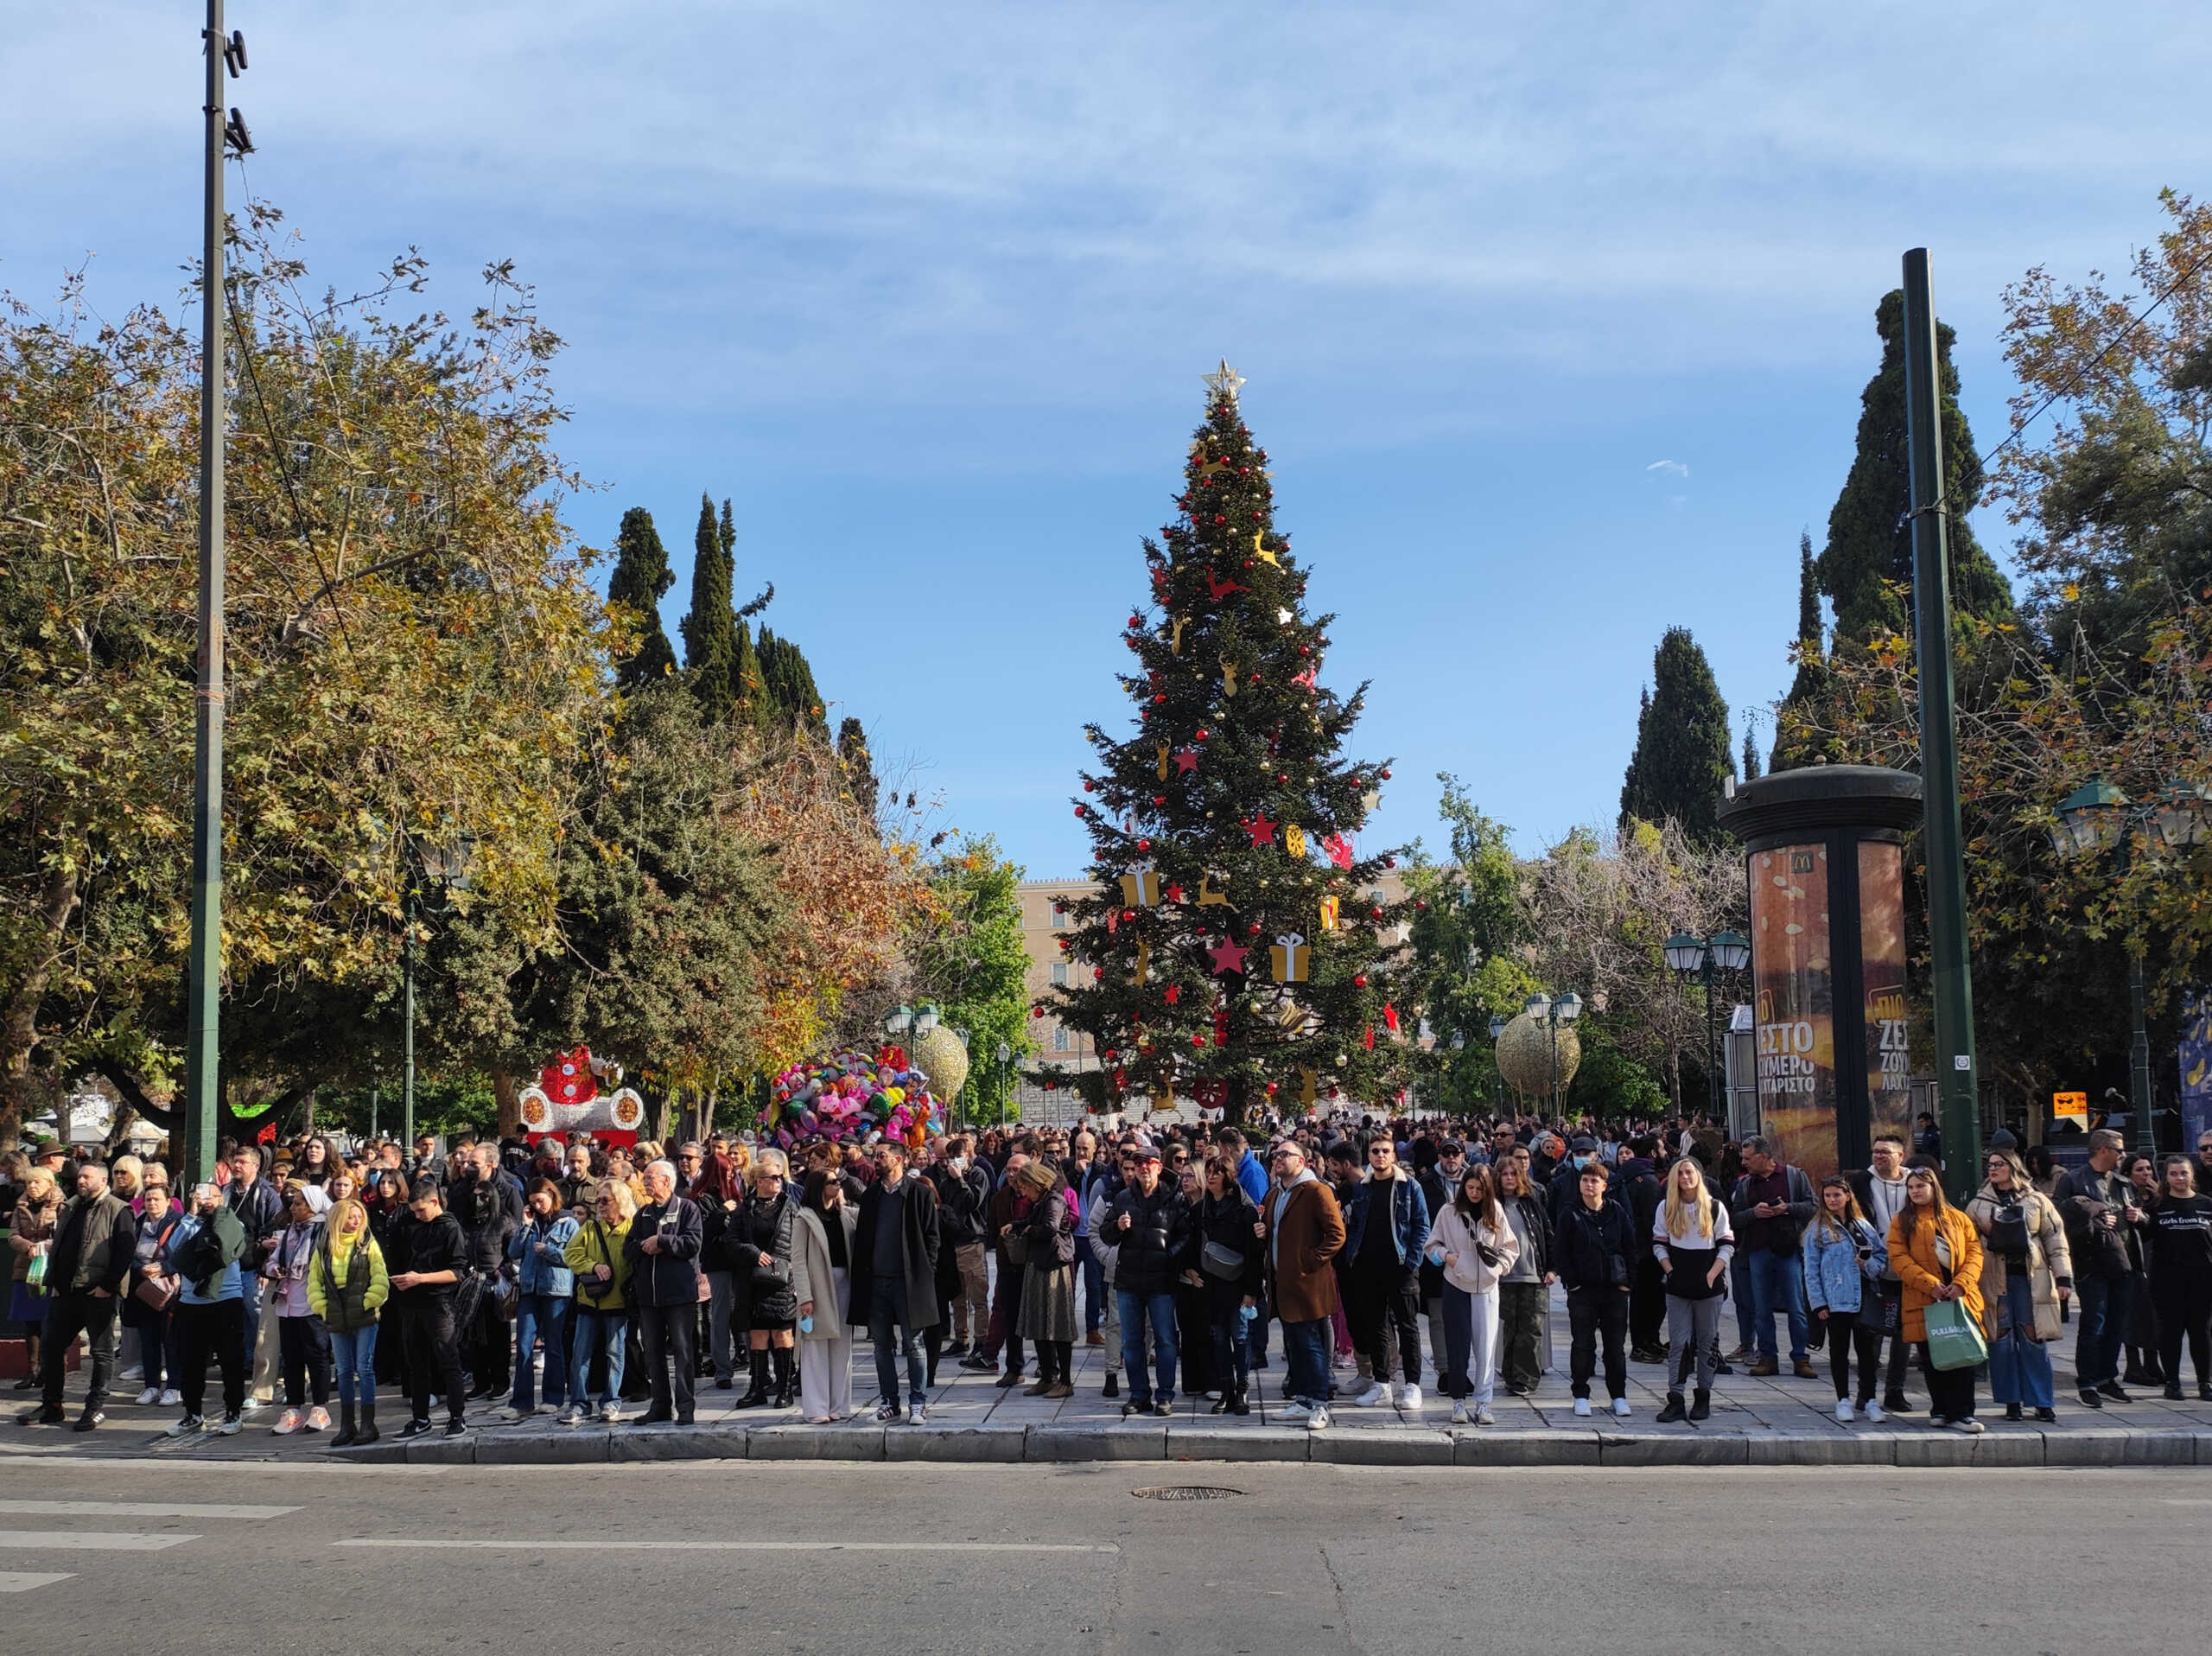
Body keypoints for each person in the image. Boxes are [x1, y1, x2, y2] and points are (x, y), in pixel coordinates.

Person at [22, 1160, 137, 1431]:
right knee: (51, 1347)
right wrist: (54, 1282)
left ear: (103, 1181)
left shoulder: (119, 1210)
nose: (81, 1181)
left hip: (97, 1293)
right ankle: (52, 1406)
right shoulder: (72, 1206)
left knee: (101, 1352)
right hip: (65, 1292)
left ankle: (94, 1407)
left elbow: (124, 1252)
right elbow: (60, 1246)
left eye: (87, 1177)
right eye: (80, 1177)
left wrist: (107, 1287)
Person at [1963, 1150, 2070, 1423]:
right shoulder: (1978, 1204)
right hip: (1993, 1278)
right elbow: (1969, 1244)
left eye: (1999, 1164)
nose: (1993, 1169)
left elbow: (2055, 1239)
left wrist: (2063, 1278)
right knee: (2001, 1340)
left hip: (2031, 1278)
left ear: (2013, 1166)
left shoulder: (2036, 1200)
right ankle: (2011, 1401)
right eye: (1990, 1165)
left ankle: (2042, 1401)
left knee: (2034, 1338)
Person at [849, 1138, 942, 1424]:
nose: (876, 1160)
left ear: (899, 1160)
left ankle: (918, 1401)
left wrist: (925, 1271)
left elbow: (932, 1239)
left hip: (909, 1282)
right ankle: (889, 1400)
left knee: (913, 1344)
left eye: (882, 1155)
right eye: (875, 1155)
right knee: (881, 1345)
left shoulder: (918, 1194)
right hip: (877, 1282)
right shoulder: (872, 1196)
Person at [2054, 1127, 2146, 1409]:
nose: (2124, 1155)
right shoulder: (2073, 1179)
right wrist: (2093, 1224)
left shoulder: (2122, 1182)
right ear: (2103, 1150)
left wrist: (2139, 1217)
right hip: (2091, 1263)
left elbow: (2144, 1219)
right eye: (2119, 1150)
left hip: (2124, 1262)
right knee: (2094, 1323)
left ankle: (2107, 1378)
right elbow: (2058, 1221)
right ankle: (2088, 1381)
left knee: (2117, 1324)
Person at [1889, 1166, 1986, 1433]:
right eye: (1911, 1187)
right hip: (1924, 1298)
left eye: (1921, 1186)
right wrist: (1930, 1285)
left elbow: (1975, 1253)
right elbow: (1898, 1259)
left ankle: (1964, 1412)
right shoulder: (1903, 1221)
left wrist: (1961, 1284)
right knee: (1932, 1358)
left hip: (1959, 1298)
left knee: (1963, 1357)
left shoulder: (1958, 1218)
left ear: (1934, 1188)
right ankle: (1940, 1408)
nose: (1915, 1191)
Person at [1424, 1163, 1518, 1426]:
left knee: (1486, 1346)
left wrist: (1499, 1268)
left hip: (1487, 1287)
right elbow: (1431, 1244)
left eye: (1480, 1189)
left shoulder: (1495, 1211)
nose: (1475, 1193)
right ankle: (1458, 1402)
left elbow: (1510, 1247)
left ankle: (1484, 1402)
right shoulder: (1448, 1212)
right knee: (1457, 1346)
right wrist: (1448, 1257)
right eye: (1471, 1188)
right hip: (1456, 1284)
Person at [1343, 1132, 1429, 1411]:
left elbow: (1421, 1226)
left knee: (1407, 1326)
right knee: (1376, 1326)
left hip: (1401, 1267)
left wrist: (1412, 1262)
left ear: (1394, 1155)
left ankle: (1412, 1385)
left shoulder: (1410, 1187)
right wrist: (1352, 1257)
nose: (1380, 1155)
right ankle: (1382, 1384)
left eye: (1385, 1151)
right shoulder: (1362, 1188)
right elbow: (1355, 1224)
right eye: (1375, 1151)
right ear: (1368, 1156)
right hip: (1369, 1267)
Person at [1107, 1142, 1192, 1418]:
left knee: (1166, 1340)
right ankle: (1139, 1394)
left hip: (1162, 1282)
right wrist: (1117, 1227)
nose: (1142, 1168)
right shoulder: (1123, 1198)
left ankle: (1164, 1395)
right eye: (1138, 1163)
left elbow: (1186, 1235)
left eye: (1148, 1163)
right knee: (1132, 1341)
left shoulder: (1174, 1198)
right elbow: (1105, 1233)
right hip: (1129, 1280)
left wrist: (1169, 1256)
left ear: (1158, 1167)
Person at [1265, 1140, 1344, 1431]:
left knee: (1312, 1345)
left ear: (1302, 1161)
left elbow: (1336, 1234)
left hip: (1307, 1283)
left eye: (1285, 1154)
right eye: (1276, 1155)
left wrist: (1310, 1261)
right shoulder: (1276, 1193)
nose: (1278, 1159)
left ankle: (1320, 1402)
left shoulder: (1315, 1190)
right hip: (1282, 1283)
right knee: (1294, 1345)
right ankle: (1302, 1398)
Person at [162, 1182, 251, 1436]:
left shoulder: (232, 1222)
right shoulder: (190, 1223)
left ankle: (233, 1413)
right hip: (191, 1303)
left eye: (211, 1196)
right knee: (191, 1363)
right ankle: (192, 1414)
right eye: (201, 1197)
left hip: (225, 1300)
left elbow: (225, 1245)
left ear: (221, 1199)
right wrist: (191, 1215)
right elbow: (174, 1248)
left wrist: (214, 1213)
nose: (206, 1201)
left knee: (230, 1361)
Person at [1802, 1176, 1891, 1424]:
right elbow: (1811, 1269)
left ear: (1848, 1196)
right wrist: (1818, 1303)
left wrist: (1868, 1264)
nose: (1832, 1200)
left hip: (1863, 1295)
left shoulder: (1863, 1226)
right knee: (1839, 1350)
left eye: (1837, 1195)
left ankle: (1870, 1399)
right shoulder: (1817, 1230)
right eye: (1828, 1196)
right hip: (1835, 1299)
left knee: (1867, 1352)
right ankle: (1843, 1399)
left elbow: (1882, 1259)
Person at [1652, 1157, 1734, 1424]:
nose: (1685, 1177)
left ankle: (1703, 1396)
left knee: (1707, 1342)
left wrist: (1712, 1274)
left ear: (1698, 1176)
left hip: (1708, 1285)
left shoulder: (1714, 1208)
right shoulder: (1666, 1207)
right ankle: (1675, 1399)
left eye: (1689, 1172)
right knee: (1679, 1343)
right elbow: (1659, 1244)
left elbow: (1727, 1245)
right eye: (1680, 1173)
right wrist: (1670, 1271)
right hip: (1678, 1284)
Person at [624, 1158, 703, 1427]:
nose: (645, 1183)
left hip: (679, 1294)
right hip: (649, 1296)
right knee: (652, 1352)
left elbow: (692, 1243)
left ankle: (685, 1407)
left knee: (682, 1351)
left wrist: (663, 1242)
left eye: (649, 1178)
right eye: (644, 1178)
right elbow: (629, 1249)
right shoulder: (643, 1214)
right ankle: (660, 1405)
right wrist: (645, 1246)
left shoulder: (687, 1208)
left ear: (666, 1181)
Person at [1729, 1137, 1816, 1379]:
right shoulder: (1745, 1185)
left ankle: (1801, 1357)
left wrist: (1786, 1208)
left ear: (1764, 1157)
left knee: (1796, 1306)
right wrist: (1754, 1213)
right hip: (1757, 1251)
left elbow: (1813, 1207)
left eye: (1748, 1158)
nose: (1744, 1163)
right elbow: (1735, 1218)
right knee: (1761, 1308)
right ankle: (1768, 1357)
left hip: (1788, 1250)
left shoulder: (1794, 1176)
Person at [1555, 1159, 1634, 1418]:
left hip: (1614, 1290)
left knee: (1615, 1345)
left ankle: (1618, 1395)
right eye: (1584, 1180)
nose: (1589, 1185)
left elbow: (1630, 1246)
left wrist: (1626, 1282)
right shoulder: (1570, 1213)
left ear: (1604, 1185)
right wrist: (1572, 1282)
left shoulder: (1617, 1211)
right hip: (1583, 1291)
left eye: (1594, 1181)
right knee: (1583, 1343)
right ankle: (1580, 1394)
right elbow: (1561, 1251)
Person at [311, 1194, 390, 1446]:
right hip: (336, 1309)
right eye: (350, 1217)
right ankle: (347, 1424)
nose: (355, 1222)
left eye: (359, 1217)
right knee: (344, 1370)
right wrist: (321, 1307)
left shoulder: (368, 1244)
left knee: (364, 1368)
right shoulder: (324, 1245)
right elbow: (315, 1281)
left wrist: (370, 1301)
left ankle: (369, 1424)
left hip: (363, 1309)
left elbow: (380, 1276)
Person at [1847, 1133, 1916, 1414]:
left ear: (1901, 1156)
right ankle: (1867, 1393)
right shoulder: (1861, 1182)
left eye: (1885, 1152)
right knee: (1870, 1332)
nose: (1879, 1156)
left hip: (1909, 1268)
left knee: (1904, 1333)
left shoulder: (1915, 1183)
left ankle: (1895, 1392)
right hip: (1873, 1269)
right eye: (1876, 1152)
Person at [730, 1150, 799, 1411]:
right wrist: (753, 1253)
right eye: (773, 1177)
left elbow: (799, 1242)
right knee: (757, 1335)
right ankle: (757, 1388)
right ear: (759, 1181)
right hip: (752, 1281)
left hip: (782, 1280)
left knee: (783, 1334)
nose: (778, 1181)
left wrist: (795, 1274)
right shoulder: (744, 1209)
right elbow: (731, 1242)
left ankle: (784, 1389)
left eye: (780, 1177)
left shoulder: (790, 1208)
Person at [562, 1180, 634, 1424]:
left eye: (605, 1200)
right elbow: (571, 1253)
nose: (600, 1205)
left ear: (620, 1201)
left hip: (618, 1302)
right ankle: (579, 1403)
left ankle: (612, 1401)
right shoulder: (591, 1227)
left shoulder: (632, 1228)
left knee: (615, 1353)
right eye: (598, 1200)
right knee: (580, 1353)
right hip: (590, 1301)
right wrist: (593, 1266)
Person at [504, 1181, 577, 1419]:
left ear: (551, 1196)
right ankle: (521, 1401)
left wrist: (549, 1251)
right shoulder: (531, 1222)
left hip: (556, 1289)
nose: (537, 1205)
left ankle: (553, 1397)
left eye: (541, 1200)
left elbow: (575, 1257)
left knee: (553, 1344)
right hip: (529, 1289)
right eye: (533, 1201)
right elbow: (513, 1252)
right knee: (524, 1345)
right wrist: (524, 1226)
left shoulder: (568, 1223)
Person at [791, 1169, 859, 1423]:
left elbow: (866, 1215)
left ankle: (839, 1406)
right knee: (816, 1345)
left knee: (842, 1345)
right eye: (832, 1182)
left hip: (845, 1285)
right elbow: (797, 1260)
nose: (838, 1184)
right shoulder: (804, 1218)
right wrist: (805, 1296)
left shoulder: (844, 1214)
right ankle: (816, 1408)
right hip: (818, 1286)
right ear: (819, 1187)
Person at [267, 1182, 335, 1434]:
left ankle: (320, 1408)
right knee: (292, 1358)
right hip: (287, 1304)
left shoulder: (324, 1231)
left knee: (317, 1355)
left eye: (299, 1203)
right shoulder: (289, 1232)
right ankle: (294, 1408)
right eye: (293, 1203)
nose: (293, 1208)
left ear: (313, 1205)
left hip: (311, 1303)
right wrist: (273, 1269)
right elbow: (273, 1260)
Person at [2144, 1156, 2212, 1400]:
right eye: (2174, 1174)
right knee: (2170, 1333)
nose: (2180, 1178)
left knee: (2201, 1332)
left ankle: (2205, 1382)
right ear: (2167, 1178)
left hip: (2203, 1281)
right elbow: (2144, 1234)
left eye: (2184, 1173)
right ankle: (2172, 1382)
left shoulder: (2207, 1204)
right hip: (2166, 1281)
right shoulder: (2157, 1206)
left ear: (2192, 1175)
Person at [1012, 1160, 1078, 1399]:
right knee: (1039, 1324)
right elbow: (1036, 1222)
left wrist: (1029, 1231)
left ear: (1035, 1183)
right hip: (1038, 1264)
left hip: (1053, 1268)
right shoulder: (1040, 1202)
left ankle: (1065, 1380)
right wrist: (1018, 1225)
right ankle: (1047, 1376)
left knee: (1058, 1326)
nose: (1024, 1193)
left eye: (1025, 1188)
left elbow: (1049, 1227)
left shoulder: (1054, 1200)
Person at [930, 1134, 992, 1363]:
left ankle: (982, 1340)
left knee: (978, 1296)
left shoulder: (978, 1175)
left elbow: (971, 1203)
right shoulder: (946, 1181)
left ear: (968, 1156)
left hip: (972, 1242)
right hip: (953, 1244)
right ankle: (961, 1338)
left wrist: (960, 1181)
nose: (952, 1162)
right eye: (950, 1158)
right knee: (958, 1297)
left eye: (958, 1157)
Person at [1494, 1157, 1553, 1397]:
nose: (1509, 1178)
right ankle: (1509, 1374)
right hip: (1503, 1276)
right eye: (1504, 1174)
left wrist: (1552, 1268)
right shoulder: (1492, 1204)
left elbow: (1547, 1234)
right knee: (1510, 1328)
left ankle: (1526, 1378)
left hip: (1532, 1275)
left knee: (1531, 1329)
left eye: (1513, 1174)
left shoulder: (1530, 1203)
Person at [693, 1140, 749, 1391]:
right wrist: (722, 1213)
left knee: (744, 1312)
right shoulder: (703, 1199)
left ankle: (750, 1360)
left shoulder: (737, 1195)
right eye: (726, 1172)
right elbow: (702, 1231)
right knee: (720, 1315)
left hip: (740, 1260)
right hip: (718, 1262)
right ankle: (722, 1369)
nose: (730, 1176)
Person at [124, 1177, 184, 1407]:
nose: (152, 1204)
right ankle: (150, 1386)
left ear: (168, 1201)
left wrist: (164, 1267)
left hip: (170, 1292)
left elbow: (185, 1256)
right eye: (148, 1199)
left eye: (157, 1199)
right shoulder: (138, 1224)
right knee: (147, 1339)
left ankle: (174, 1387)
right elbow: (128, 1254)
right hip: (144, 1289)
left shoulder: (179, 1223)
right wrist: (141, 1269)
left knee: (170, 1340)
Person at [9, 1166, 63, 1393]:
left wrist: (46, 1246)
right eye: (29, 1183)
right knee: (29, 1322)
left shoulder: (61, 1205)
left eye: (37, 1182)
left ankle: (49, 1370)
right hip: (25, 1268)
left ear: (49, 1184)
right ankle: (33, 1369)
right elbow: (12, 1235)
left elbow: (63, 1234)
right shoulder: (20, 1206)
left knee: (49, 1322)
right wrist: (28, 1247)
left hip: (49, 1270)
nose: (32, 1186)